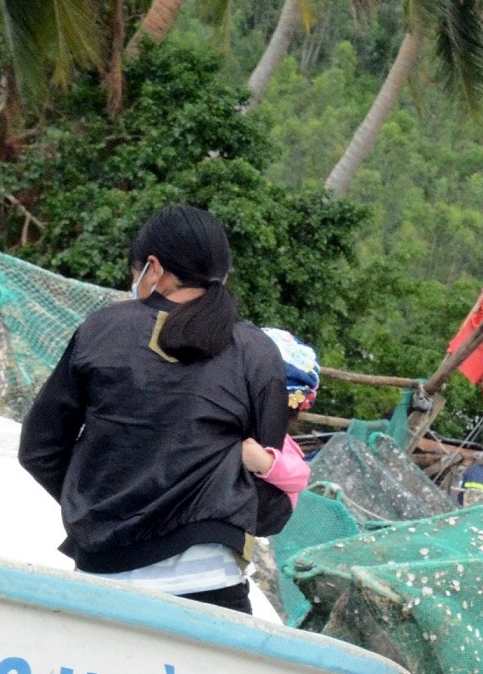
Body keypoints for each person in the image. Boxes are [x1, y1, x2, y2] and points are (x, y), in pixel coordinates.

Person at [19, 206, 296, 612]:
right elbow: (267, 478)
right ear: (224, 278)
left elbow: (39, 450)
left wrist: (96, 503)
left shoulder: (101, 330)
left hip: (103, 579)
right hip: (212, 586)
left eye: (135, 272)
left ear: (153, 268)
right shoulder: (256, 352)